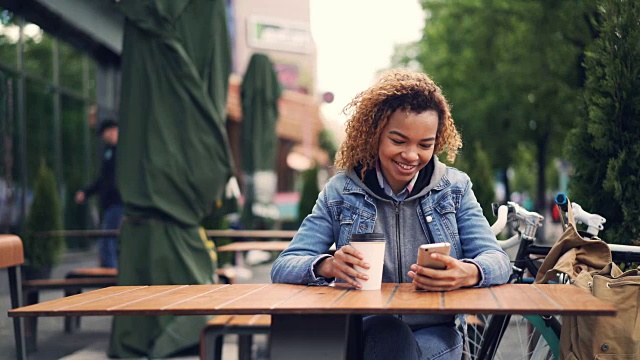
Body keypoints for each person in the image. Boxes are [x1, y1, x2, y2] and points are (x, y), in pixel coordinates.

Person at [271, 68, 511, 359]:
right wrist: (327, 265)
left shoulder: (455, 189)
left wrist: (469, 272)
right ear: (375, 134)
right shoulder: (341, 191)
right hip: (368, 330)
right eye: (399, 141)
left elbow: (499, 261)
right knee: (389, 334)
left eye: (425, 145)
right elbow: (284, 266)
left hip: (436, 332)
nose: (411, 155)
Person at [75, 118, 123, 269]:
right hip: (111, 204)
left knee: (108, 240)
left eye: (104, 133)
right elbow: (102, 180)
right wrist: (86, 192)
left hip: (118, 203)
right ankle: (111, 273)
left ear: (112, 131)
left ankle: (111, 277)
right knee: (110, 241)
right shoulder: (109, 153)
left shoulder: (123, 152)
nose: (103, 137)